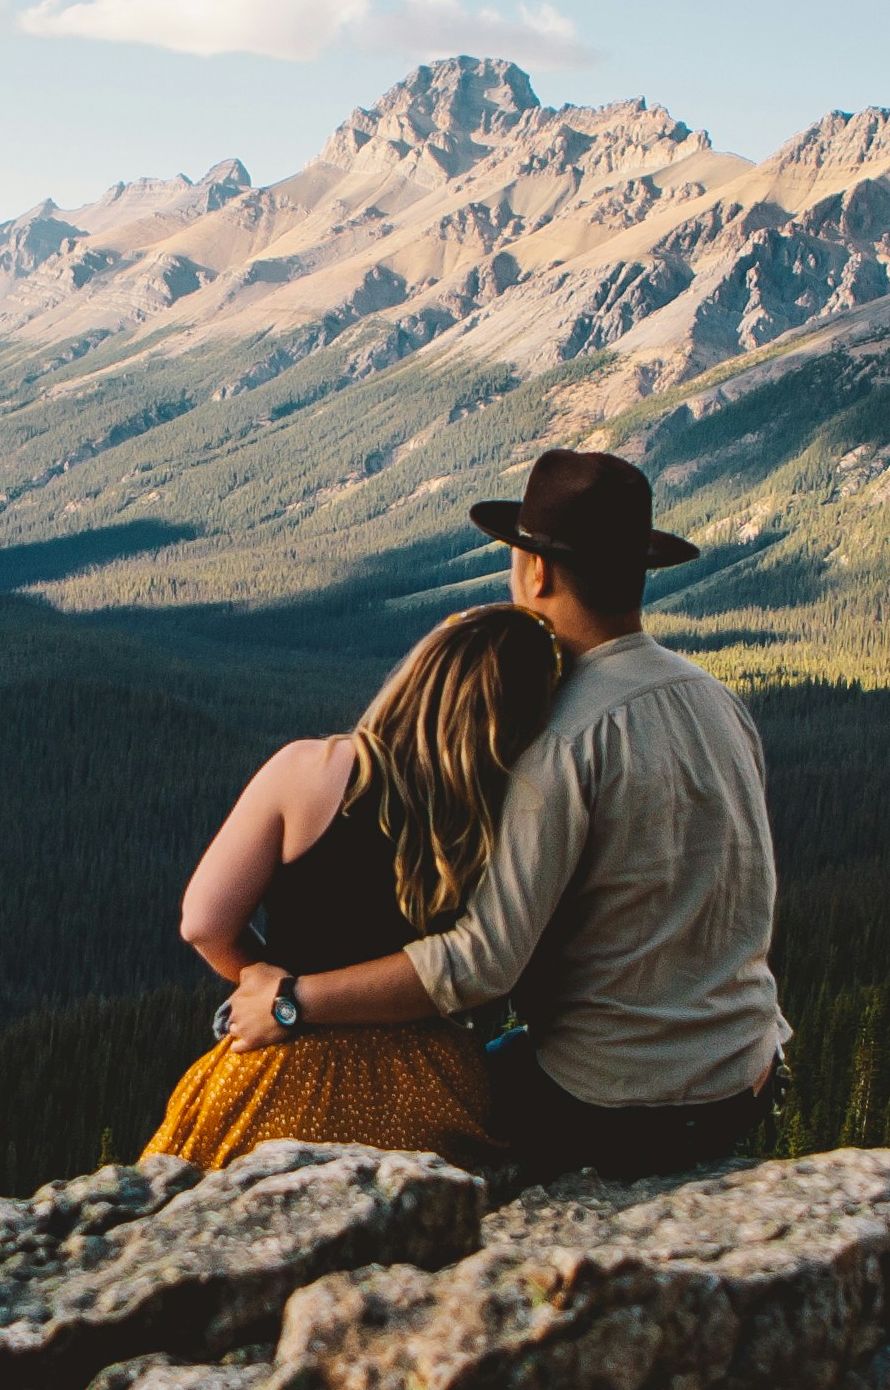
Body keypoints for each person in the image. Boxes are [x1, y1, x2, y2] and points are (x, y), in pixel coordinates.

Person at [220, 448, 791, 1180]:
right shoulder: (714, 699)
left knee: (396, 1128)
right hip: (744, 1072)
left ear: (537, 572)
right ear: (637, 572)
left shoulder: (553, 737)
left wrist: (292, 1000)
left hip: (612, 1098)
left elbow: (481, 964)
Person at [144, 603, 564, 1171]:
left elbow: (203, 921)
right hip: (430, 1081)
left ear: (417, 673)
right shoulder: (504, 810)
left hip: (286, 1065)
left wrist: (268, 981)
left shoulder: (306, 768)